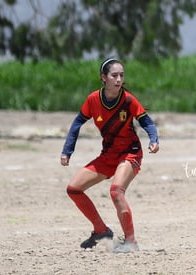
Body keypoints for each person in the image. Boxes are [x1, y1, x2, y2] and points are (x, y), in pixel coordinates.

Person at [60, 58, 159, 253]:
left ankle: (131, 242)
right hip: (108, 155)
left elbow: (147, 122)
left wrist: (154, 139)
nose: (119, 79)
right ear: (103, 78)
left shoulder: (128, 100)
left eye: (121, 75)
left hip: (130, 153)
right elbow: (76, 124)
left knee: (116, 191)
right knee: (73, 189)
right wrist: (67, 150)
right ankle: (101, 230)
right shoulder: (93, 100)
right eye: (114, 75)